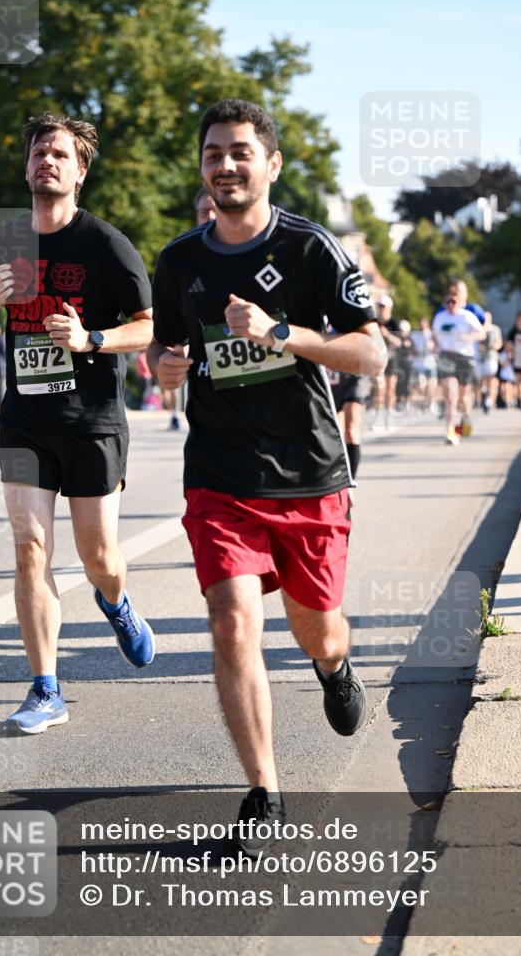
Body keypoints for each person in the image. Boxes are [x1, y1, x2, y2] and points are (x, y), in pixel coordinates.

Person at [148, 98, 385, 843]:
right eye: (213, 152)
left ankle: (332, 666)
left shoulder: (312, 249)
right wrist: (167, 369)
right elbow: (159, 359)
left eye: (240, 152)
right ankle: (263, 794)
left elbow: (370, 352)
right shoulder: (178, 262)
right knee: (231, 622)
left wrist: (282, 333)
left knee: (318, 630)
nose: (225, 164)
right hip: (219, 475)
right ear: (202, 167)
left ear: (271, 164)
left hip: (309, 474)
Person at [0, 112, 155, 734]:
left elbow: (150, 327)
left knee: (99, 556)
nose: (48, 161)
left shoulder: (106, 245)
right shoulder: (4, 240)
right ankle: (46, 688)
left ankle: (116, 600)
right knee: (29, 549)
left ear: (80, 171)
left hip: (92, 420)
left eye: (61, 154)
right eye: (40, 152)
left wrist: (90, 337)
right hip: (25, 421)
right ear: (26, 168)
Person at [431, 279, 485, 445]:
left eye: (454, 301)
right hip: (446, 356)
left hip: (464, 358)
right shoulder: (440, 317)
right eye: (448, 301)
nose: (450, 304)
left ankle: (466, 418)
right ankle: (451, 430)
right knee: (450, 395)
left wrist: (469, 337)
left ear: (460, 302)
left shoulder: (467, 316)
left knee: (463, 397)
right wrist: (434, 346)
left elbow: (481, 334)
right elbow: (434, 335)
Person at [371, 295, 401, 431]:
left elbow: (399, 342)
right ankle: (378, 418)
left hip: (392, 359)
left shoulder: (394, 323)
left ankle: (390, 417)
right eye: (379, 306)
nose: (381, 309)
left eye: (383, 307)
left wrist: (387, 334)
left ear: (389, 308)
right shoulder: (374, 322)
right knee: (379, 388)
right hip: (378, 358)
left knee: (390, 389)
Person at [410, 316, 438, 413]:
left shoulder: (432, 334)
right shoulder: (414, 335)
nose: (422, 325)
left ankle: (431, 402)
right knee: (422, 385)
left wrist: (433, 347)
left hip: (431, 363)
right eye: (420, 323)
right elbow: (411, 347)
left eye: (424, 323)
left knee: (431, 386)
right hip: (419, 364)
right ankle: (424, 400)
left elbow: (438, 347)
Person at [477, 310, 502, 413]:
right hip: (479, 358)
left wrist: (493, 347)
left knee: (491, 378)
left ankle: (489, 400)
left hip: (491, 357)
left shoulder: (495, 329)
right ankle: (483, 395)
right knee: (482, 380)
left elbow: (499, 343)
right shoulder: (478, 328)